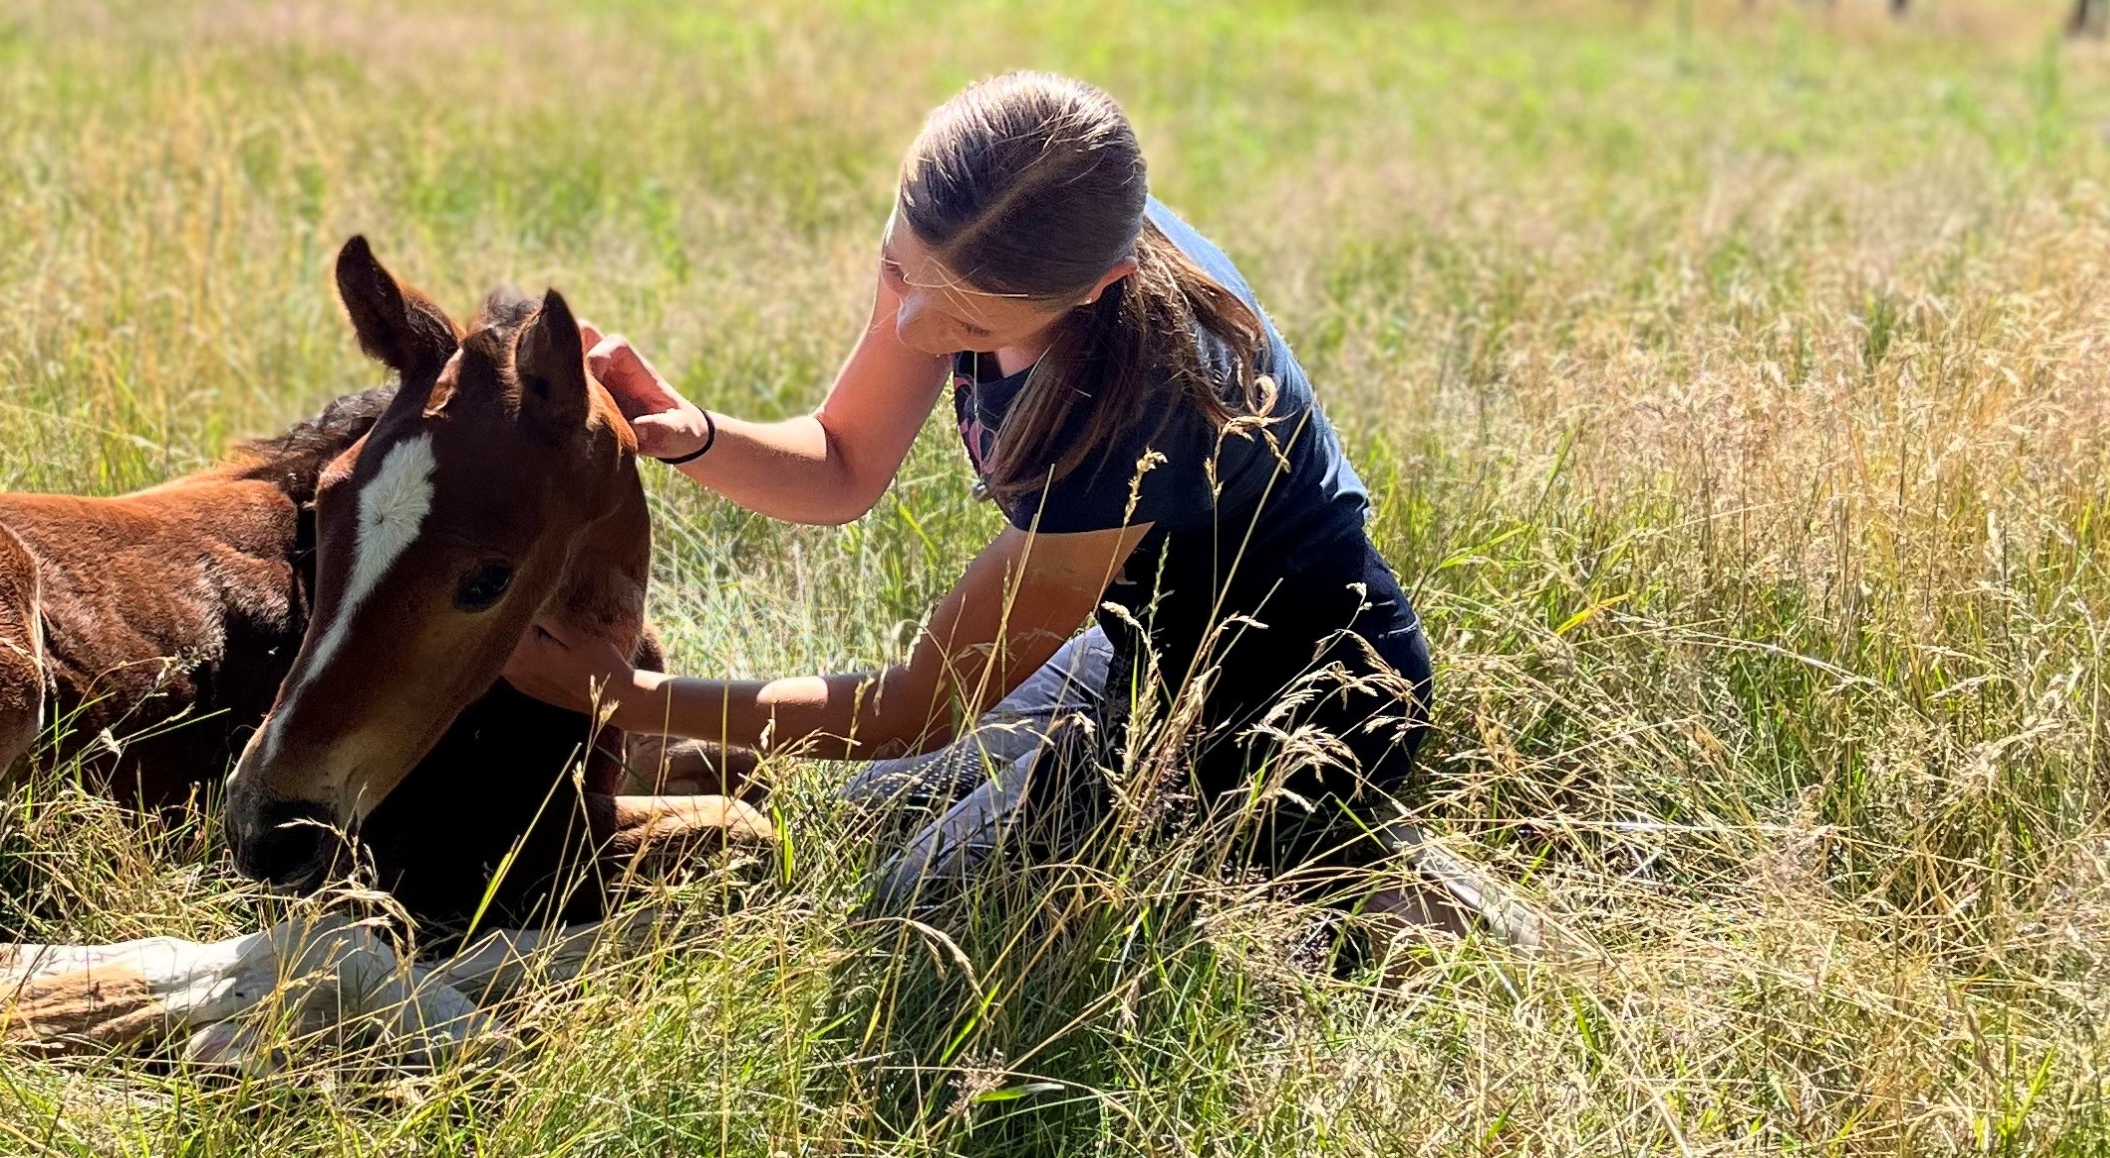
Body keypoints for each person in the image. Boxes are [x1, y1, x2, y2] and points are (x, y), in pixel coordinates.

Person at [502, 72, 1502, 943]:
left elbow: (917, 709)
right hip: (1133, 640)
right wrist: (697, 434)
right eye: (895, 264)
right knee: (860, 820)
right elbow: (843, 463)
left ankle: (1356, 864)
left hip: (1291, 688)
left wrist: (620, 699)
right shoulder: (988, 235)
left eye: (966, 321)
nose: (911, 322)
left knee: (911, 917)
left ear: (1099, 286)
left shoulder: (1135, 401)